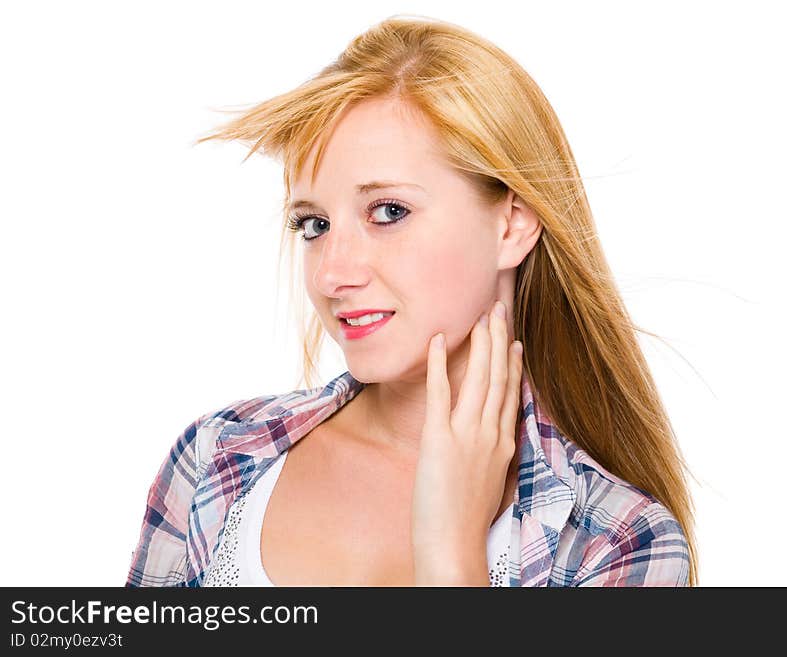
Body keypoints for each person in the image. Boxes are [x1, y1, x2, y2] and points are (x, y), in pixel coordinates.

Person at [125, 14, 697, 587]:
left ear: (511, 226)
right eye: (314, 224)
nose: (332, 274)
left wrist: (451, 553)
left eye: (389, 212)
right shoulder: (217, 458)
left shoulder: (618, 542)